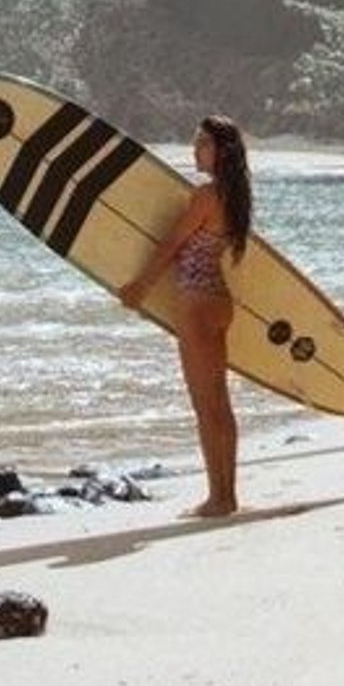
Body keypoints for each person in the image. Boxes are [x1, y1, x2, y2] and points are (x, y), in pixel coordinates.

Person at [119, 114, 253, 518]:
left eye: (202, 144)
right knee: (219, 404)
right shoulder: (236, 196)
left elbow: (172, 246)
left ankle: (220, 498)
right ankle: (226, 494)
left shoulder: (206, 196)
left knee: (205, 406)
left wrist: (141, 286)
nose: (195, 150)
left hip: (196, 306)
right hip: (218, 301)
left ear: (220, 151)